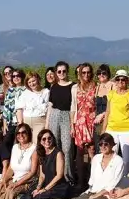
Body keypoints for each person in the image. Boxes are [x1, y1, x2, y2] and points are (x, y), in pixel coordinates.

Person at [12, 130, 68, 199]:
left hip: (58, 186)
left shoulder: (58, 153)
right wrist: (38, 188)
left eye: (49, 138)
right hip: (45, 184)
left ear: (53, 139)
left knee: (38, 198)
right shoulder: (42, 153)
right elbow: (42, 175)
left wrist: (44, 190)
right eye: (44, 139)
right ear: (40, 141)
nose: (47, 141)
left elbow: (59, 175)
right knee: (25, 198)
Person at [99, 69, 129, 176]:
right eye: (118, 79)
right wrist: (103, 130)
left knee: (128, 160)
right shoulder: (111, 94)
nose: (121, 81)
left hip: (127, 129)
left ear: (127, 81)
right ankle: (109, 180)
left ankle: (126, 181)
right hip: (111, 129)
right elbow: (107, 112)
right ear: (115, 81)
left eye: (123, 79)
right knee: (110, 156)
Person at [47, 61, 75, 183]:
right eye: (59, 71)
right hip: (54, 115)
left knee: (67, 148)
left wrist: (73, 123)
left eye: (64, 71)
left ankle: (68, 176)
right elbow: (50, 106)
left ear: (67, 72)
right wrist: (47, 124)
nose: (62, 73)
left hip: (67, 115)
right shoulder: (54, 87)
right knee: (55, 146)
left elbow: (74, 105)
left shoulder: (73, 86)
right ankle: (57, 176)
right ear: (56, 73)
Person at [72, 63, 97, 191]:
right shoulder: (75, 88)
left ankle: (93, 182)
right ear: (80, 74)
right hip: (80, 122)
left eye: (88, 72)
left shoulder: (95, 87)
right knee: (80, 154)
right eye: (83, 72)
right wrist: (72, 125)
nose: (86, 75)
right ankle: (81, 182)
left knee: (92, 152)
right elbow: (73, 107)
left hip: (92, 121)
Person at [15, 72, 50, 139]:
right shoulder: (25, 93)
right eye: (29, 82)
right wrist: (20, 123)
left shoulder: (46, 92)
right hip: (26, 121)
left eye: (33, 81)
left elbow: (49, 109)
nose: (32, 84)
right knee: (26, 142)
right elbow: (19, 109)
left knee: (37, 142)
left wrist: (47, 124)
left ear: (38, 80)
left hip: (40, 121)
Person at [2, 69, 26, 146]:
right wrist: (5, 124)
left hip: (23, 121)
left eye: (18, 76)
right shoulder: (10, 90)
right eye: (14, 76)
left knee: (20, 143)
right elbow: (6, 108)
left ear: (22, 77)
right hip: (11, 123)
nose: (16, 78)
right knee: (7, 142)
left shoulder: (26, 90)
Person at [94, 64, 113, 138]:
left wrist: (102, 115)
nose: (101, 75)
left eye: (104, 73)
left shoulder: (113, 86)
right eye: (99, 73)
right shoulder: (97, 87)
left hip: (108, 120)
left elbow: (114, 105)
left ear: (108, 74)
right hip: (98, 122)